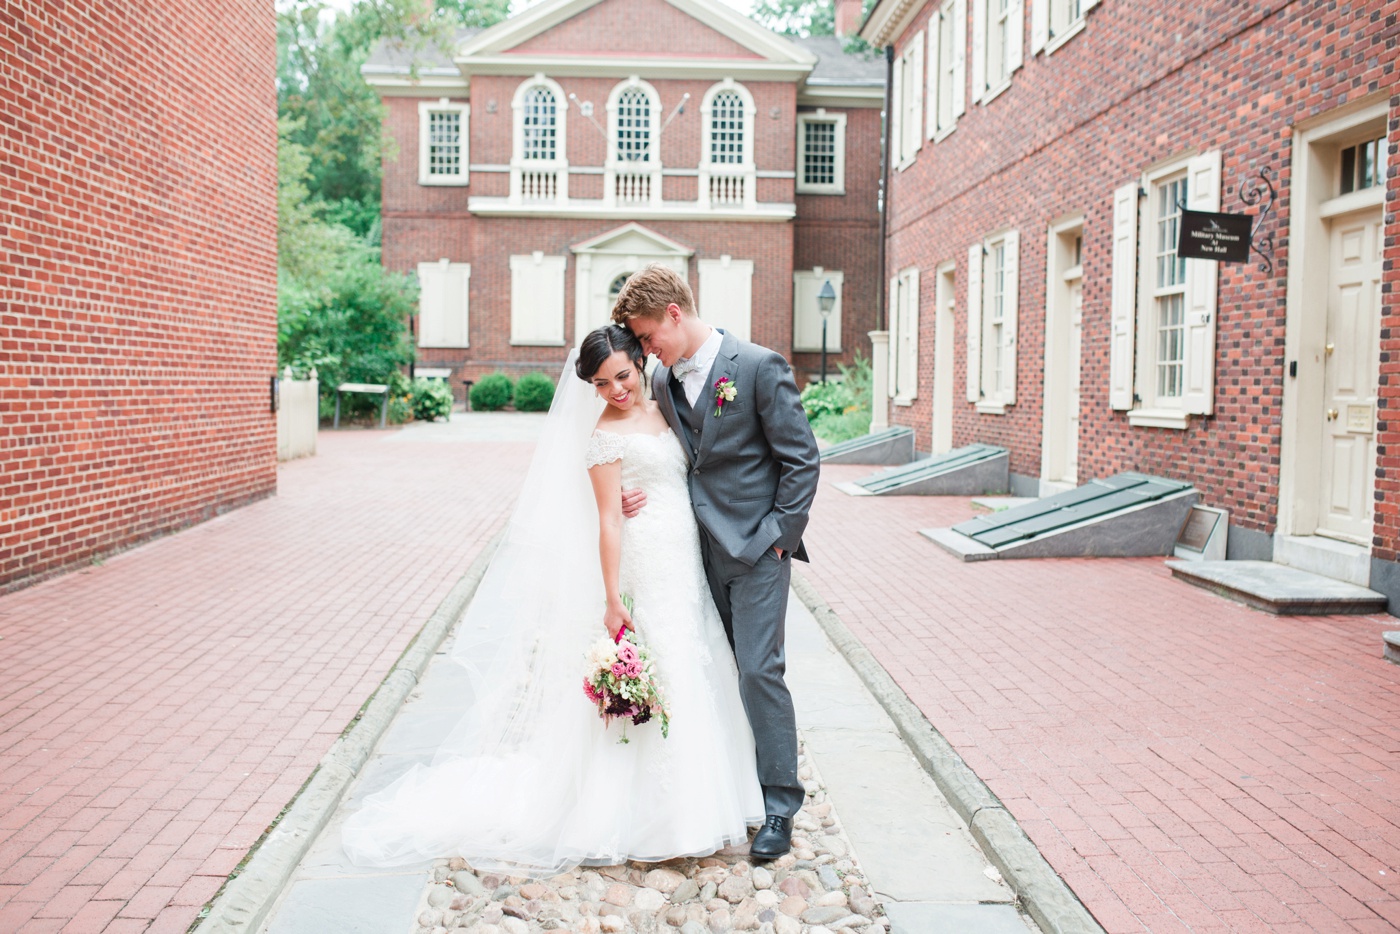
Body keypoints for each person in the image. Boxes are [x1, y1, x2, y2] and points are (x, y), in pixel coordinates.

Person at [341, 325, 762, 874]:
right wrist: (613, 599)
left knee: (696, 664)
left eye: (622, 375)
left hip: (684, 563)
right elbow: (609, 520)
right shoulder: (604, 437)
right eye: (601, 383)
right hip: (644, 564)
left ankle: (703, 804)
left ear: (640, 362)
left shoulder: (667, 404)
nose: (615, 390)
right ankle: (646, 819)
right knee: (662, 666)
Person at [611, 264, 820, 860]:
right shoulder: (663, 382)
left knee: (759, 670)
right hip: (690, 550)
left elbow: (801, 460)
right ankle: (733, 789)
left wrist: (780, 535)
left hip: (757, 550)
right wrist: (630, 487)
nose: (647, 350)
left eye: (649, 336)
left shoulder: (757, 366)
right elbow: (661, 450)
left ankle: (779, 806)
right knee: (713, 671)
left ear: (674, 313)